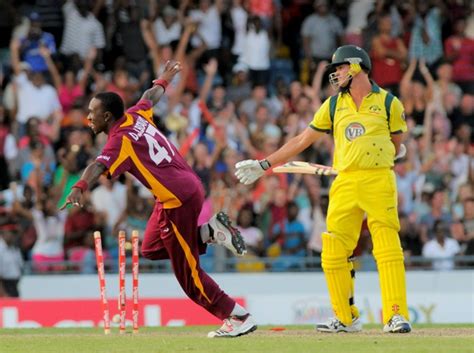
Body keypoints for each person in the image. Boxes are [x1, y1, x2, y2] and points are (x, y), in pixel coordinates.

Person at [60, 60, 257, 338]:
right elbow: (148, 97)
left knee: (189, 277)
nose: (88, 118)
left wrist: (79, 186)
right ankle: (208, 232)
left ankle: (238, 317)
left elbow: (97, 166)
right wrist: (163, 79)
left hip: (177, 199)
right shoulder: (135, 114)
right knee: (150, 248)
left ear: (107, 117)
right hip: (183, 190)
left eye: (93, 113)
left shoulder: (118, 141)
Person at [235, 45, 411, 333]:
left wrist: (394, 151)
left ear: (355, 67)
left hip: (378, 180)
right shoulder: (332, 105)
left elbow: (396, 142)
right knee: (332, 250)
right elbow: (301, 141)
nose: (336, 73)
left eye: (340, 68)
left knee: (387, 247)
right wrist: (264, 164)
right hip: (343, 181)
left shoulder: (390, 103)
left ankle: (395, 315)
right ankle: (346, 317)